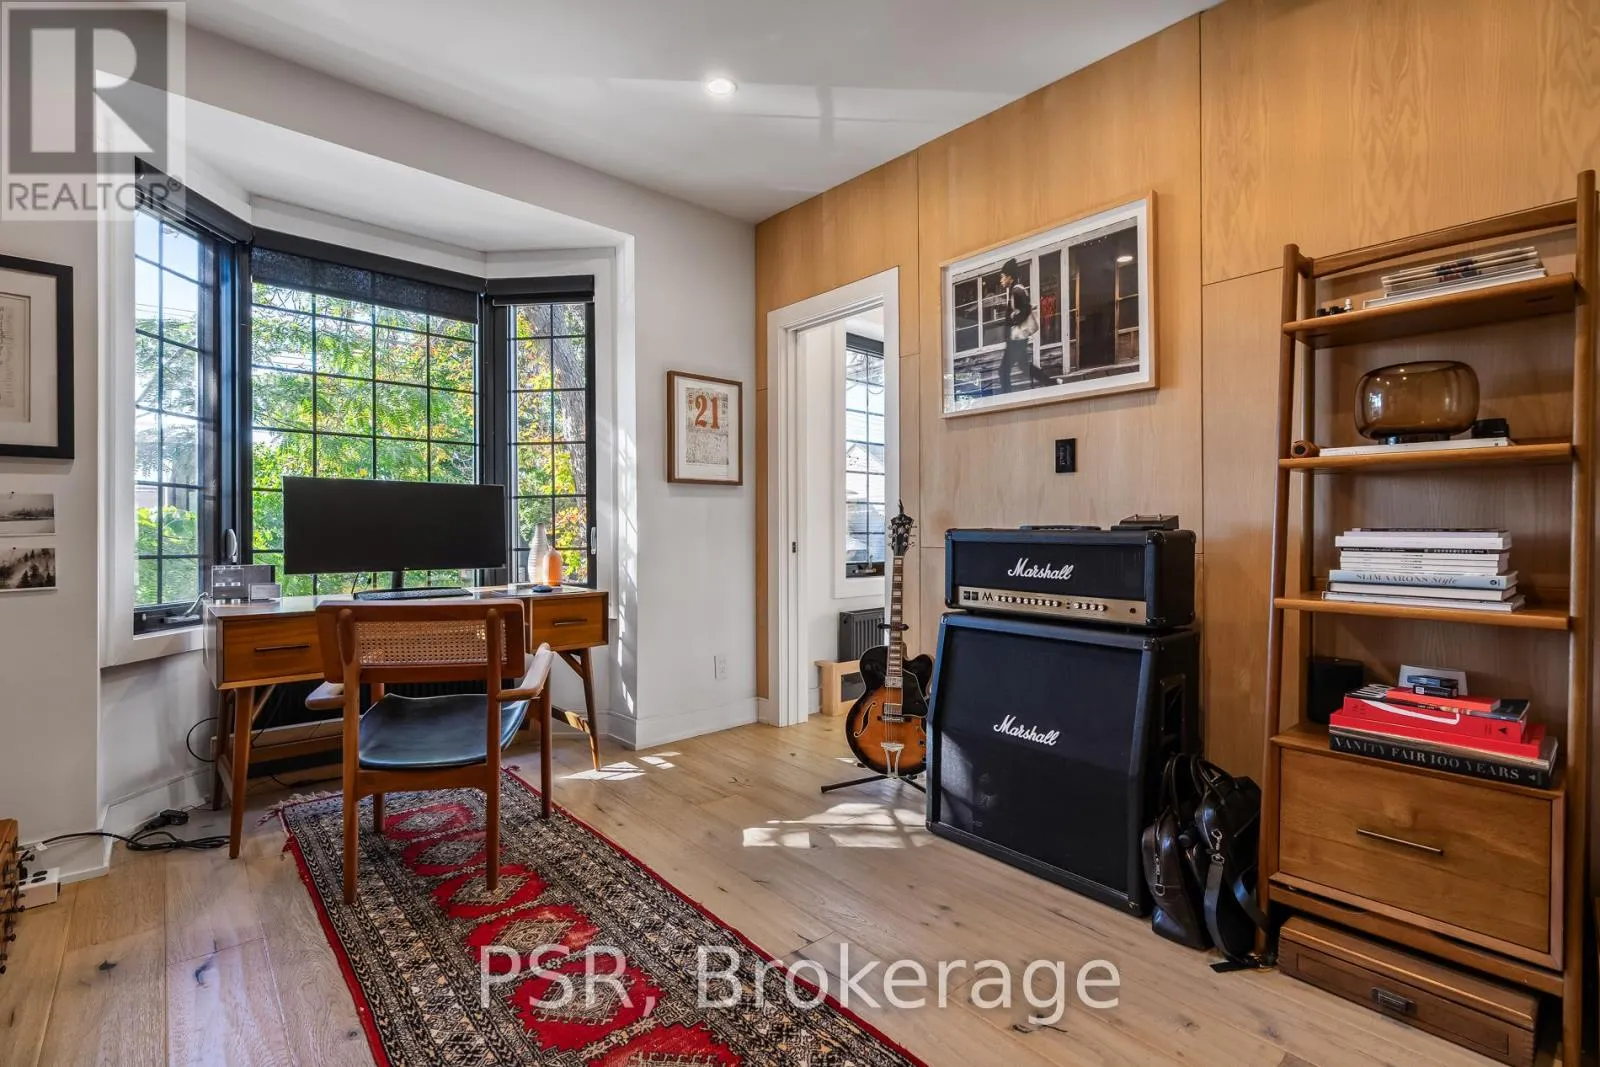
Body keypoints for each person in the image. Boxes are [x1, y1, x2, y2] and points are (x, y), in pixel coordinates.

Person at [997, 259, 1048, 392]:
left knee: (1003, 371)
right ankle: (1051, 382)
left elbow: (1024, 310)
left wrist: (1013, 319)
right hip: (1017, 339)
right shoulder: (1016, 290)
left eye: (1002, 277)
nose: (1001, 280)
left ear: (1009, 277)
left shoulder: (1016, 291)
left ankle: (1007, 397)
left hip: (1016, 339)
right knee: (1023, 367)